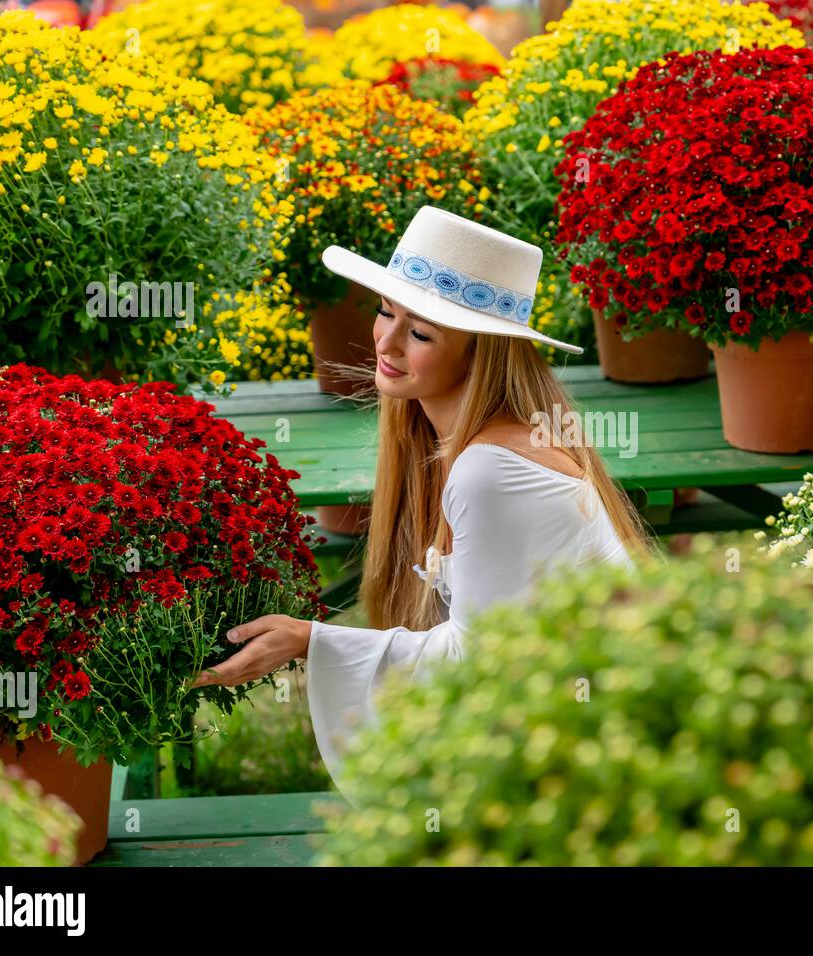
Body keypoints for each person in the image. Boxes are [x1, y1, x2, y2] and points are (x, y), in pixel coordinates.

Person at [192, 206, 654, 791]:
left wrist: (311, 640)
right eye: (386, 312)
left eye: (421, 332)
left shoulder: (490, 470)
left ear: (479, 352)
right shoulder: (486, 443)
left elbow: (479, 667)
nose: (386, 341)